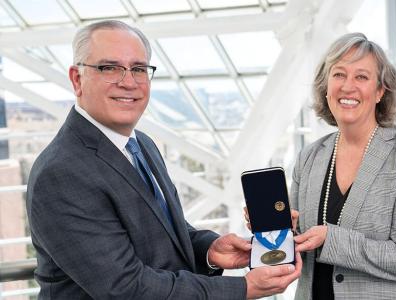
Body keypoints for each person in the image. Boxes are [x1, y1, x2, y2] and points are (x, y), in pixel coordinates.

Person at [26, 20, 301, 299]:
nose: (129, 82)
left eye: (139, 69)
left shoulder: (141, 145)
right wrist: (243, 288)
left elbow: (163, 233)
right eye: (109, 68)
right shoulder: (62, 172)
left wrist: (210, 251)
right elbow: (126, 288)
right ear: (77, 79)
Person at [290, 33, 396, 299]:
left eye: (361, 77)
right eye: (338, 75)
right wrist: (276, 229)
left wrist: (330, 239)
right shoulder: (309, 157)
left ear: (381, 91)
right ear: (326, 87)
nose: (348, 86)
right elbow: (297, 247)